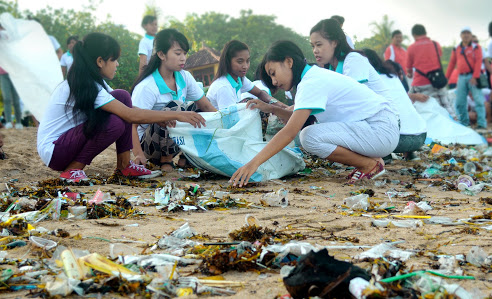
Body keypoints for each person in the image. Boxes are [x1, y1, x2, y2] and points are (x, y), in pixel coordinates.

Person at [37, 32, 207, 182]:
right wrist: (176, 115)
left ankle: (124, 166)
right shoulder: (85, 84)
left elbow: (129, 108)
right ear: (100, 61)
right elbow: (130, 116)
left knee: (123, 96)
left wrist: (165, 117)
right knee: (115, 123)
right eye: (114, 60)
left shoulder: (95, 82)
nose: (117, 64)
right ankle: (73, 169)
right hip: (55, 150)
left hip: (65, 144)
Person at [229, 41, 399, 187]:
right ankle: (371, 162)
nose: (274, 82)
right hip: (380, 128)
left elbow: (291, 131)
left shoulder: (311, 82)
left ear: (288, 62)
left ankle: (369, 165)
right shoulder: (312, 76)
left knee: (309, 137)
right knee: (312, 131)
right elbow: (300, 119)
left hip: (379, 129)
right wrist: (272, 108)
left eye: (273, 73)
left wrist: (253, 164)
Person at [131, 29, 216, 172]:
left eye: (185, 53)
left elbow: (206, 106)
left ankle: (186, 158)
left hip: (176, 140)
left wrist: (225, 122)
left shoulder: (185, 76)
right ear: (161, 54)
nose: (183, 58)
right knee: (175, 108)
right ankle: (166, 161)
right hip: (149, 145)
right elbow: (131, 124)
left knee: (197, 110)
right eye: (178, 53)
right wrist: (138, 154)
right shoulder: (147, 86)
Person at [310, 19, 394, 107]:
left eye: (319, 45)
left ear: (334, 42)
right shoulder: (332, 68)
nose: (315, 51)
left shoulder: (353, 59)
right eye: (312, 46)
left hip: (382, 116)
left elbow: (354, 100)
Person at [362, 49, 427, 161]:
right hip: (420, 136)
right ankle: (410, 154)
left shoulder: (369, 80)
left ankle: (384, 155)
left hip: (396, 141)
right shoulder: (392, 76)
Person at [206, 40, 283, 110]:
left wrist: (283, 107)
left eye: (247, 61)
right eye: (240, 62)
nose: (245, 66)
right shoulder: (224, 87)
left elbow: (260, 93)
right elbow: (230, 121)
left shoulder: (240, 79)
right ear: (228, 62)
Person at [406, 24, 455, 118]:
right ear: (425, 33)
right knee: (446, 106)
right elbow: (438, 56)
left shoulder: (411, 48)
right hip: (438, 81)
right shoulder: (435, 44)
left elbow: (408, 68)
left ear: (414, 35)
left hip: (421, 83)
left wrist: (409, 73)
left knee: (428, 109)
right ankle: (454, 123)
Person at [446, 27, 486, 129]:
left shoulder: (476, 47)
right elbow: (452, 63)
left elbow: (478, 62)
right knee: (460, 102)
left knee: (478, 100)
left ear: (471, 35)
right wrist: (446, 77)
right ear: (461, 35)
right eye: (464, 33)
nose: (466, 35)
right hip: (461, 77)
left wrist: (475, 76)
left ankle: (481, 123)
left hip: (473, 76)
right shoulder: (457, 48)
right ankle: (464, 123)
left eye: (468, 33)